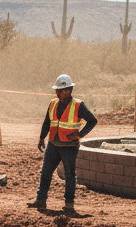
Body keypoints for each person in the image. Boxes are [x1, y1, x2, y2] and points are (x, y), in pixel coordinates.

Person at [29, 74, 98, 212]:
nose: (64, 92)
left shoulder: (78, 105)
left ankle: (69, 205)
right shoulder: (53, 103)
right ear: (57, 91)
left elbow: (92, 121)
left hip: (69, 146)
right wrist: (41, 138)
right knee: (45, 173)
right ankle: (40, 200)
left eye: (67, 89)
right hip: (53, 144)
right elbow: (47, 122)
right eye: (61, 90)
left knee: (69, 175)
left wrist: (80, 134)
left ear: (71, 90)